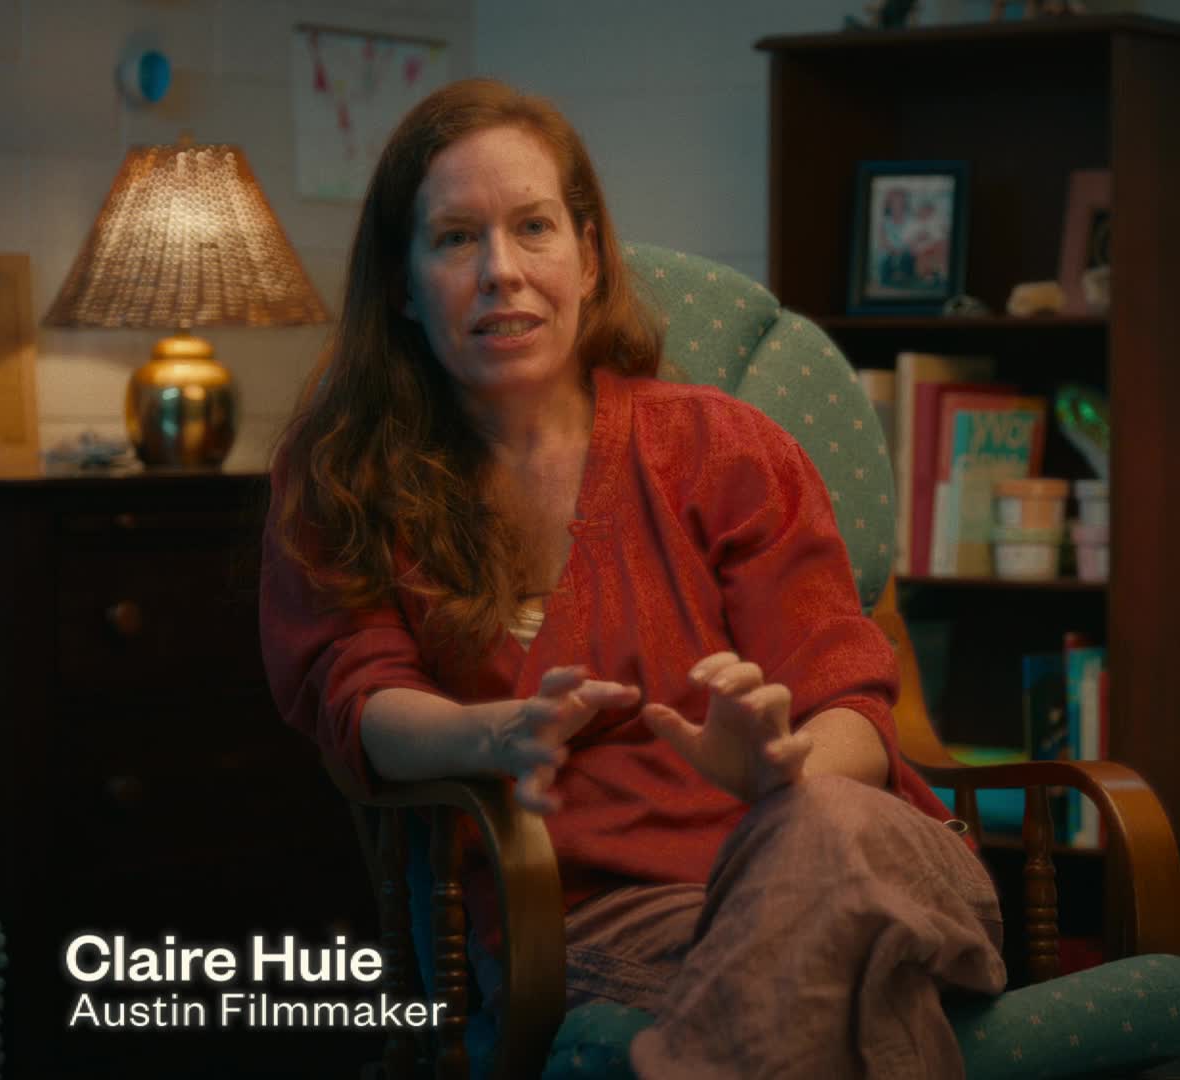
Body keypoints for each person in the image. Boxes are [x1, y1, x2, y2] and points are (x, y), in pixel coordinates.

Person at [259, 77, 1006, 1078]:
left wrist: (783, 774)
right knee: (857, 1004)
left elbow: (853, 705)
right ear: (400, 281)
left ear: (589, 254)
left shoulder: (724, 447)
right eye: (455, 239)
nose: (501, 272)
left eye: (533, 228)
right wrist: (491, 733)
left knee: (826, 832)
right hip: (609, 922)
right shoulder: (346, 475)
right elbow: (357, 695)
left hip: (873, 860)